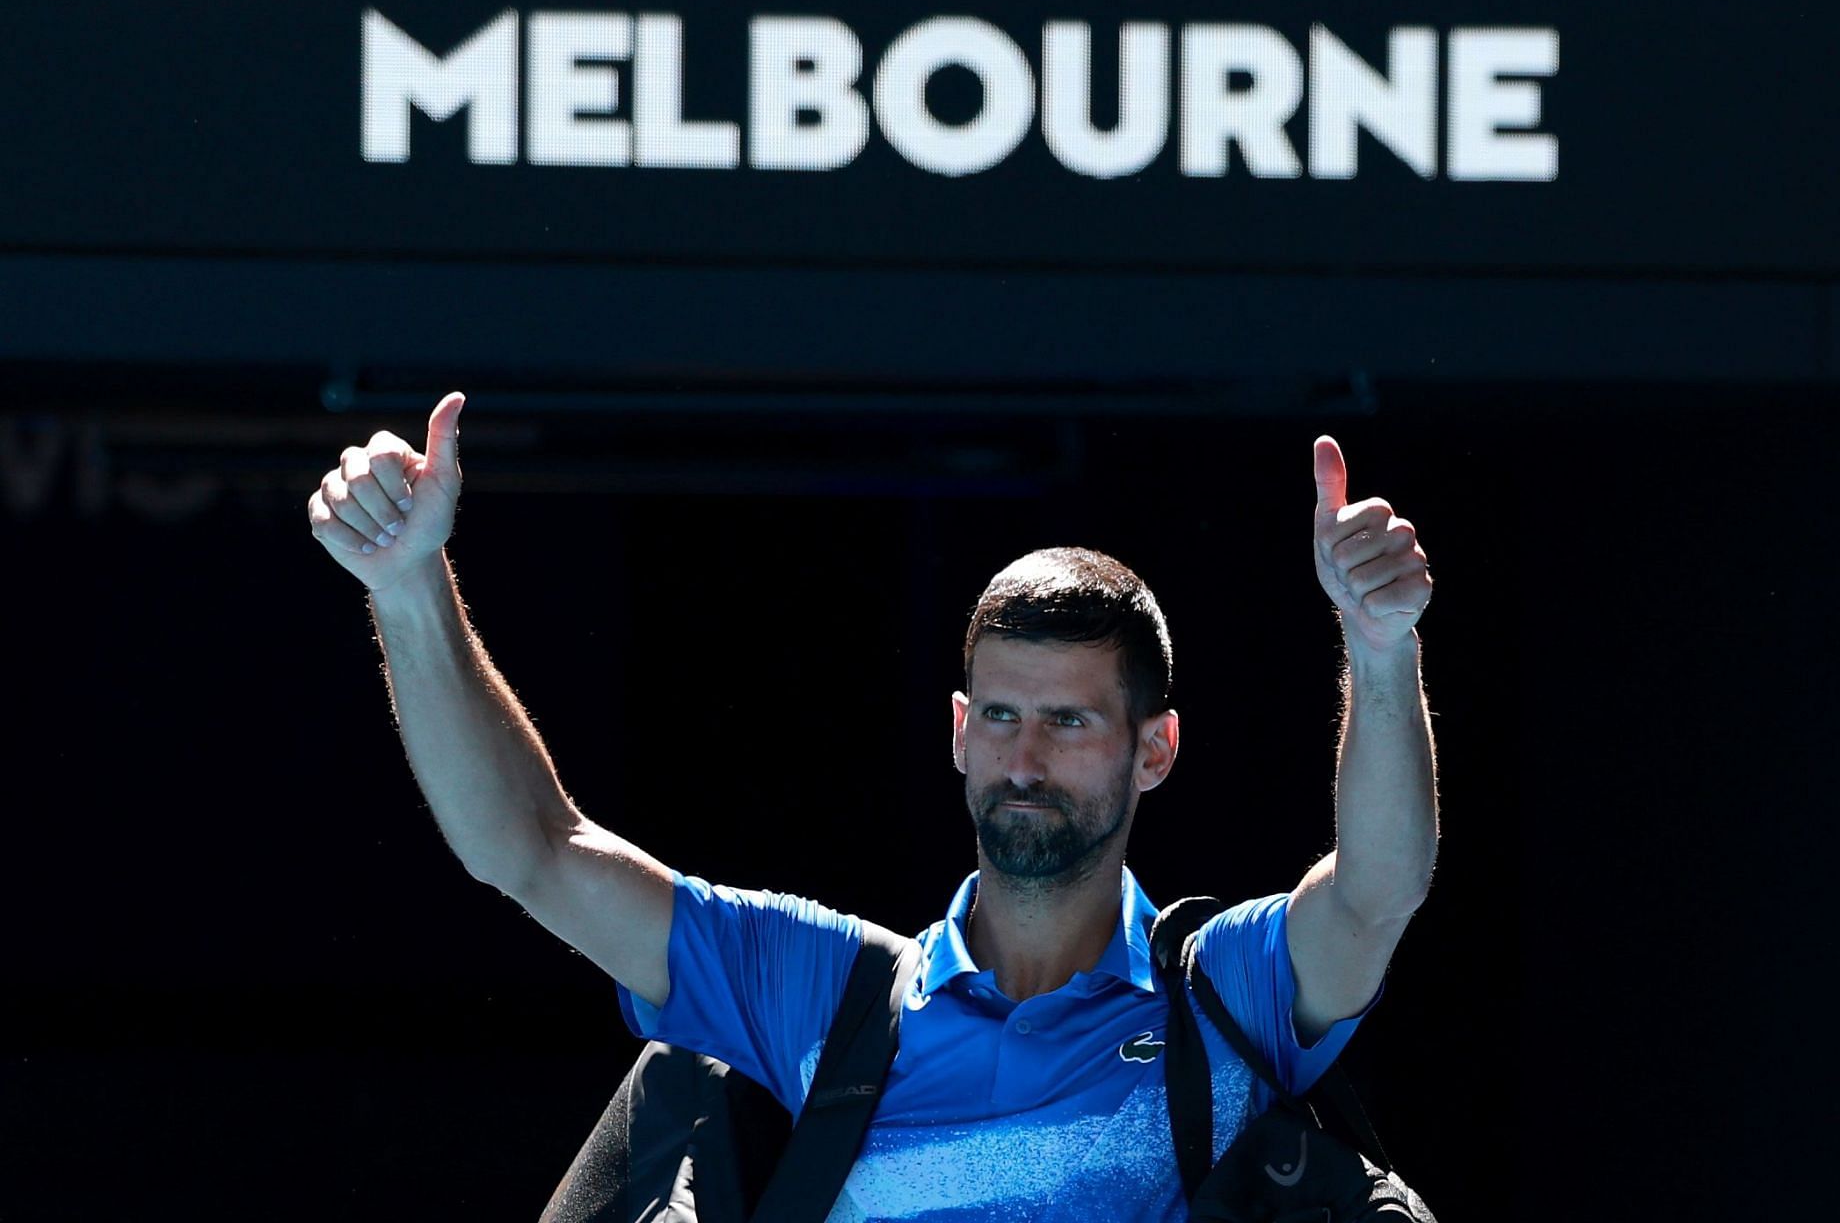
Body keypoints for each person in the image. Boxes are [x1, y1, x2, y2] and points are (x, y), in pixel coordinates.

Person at [307, 391, 1439, 1219]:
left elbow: (1377, 889)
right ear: (957, 729)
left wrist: (1381, 651)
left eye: (1070, 721)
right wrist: (409, 586)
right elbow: (532, 848)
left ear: (1157, 749)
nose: (1025, 756)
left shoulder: (1221, 999)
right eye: (999, 716)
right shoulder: (820, 993)